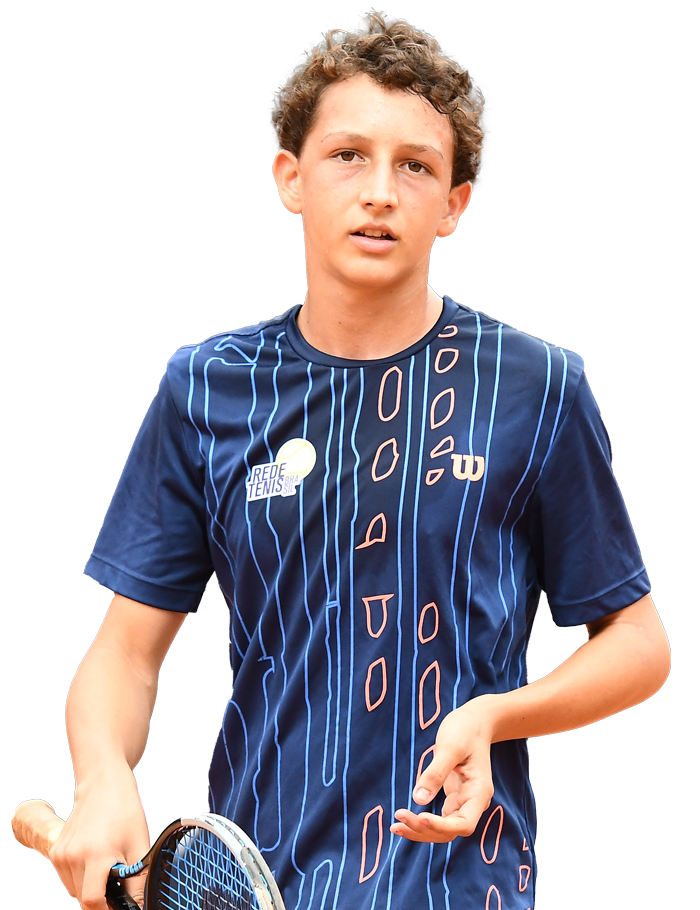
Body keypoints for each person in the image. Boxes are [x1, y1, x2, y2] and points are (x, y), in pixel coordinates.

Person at [50, 14, 670, 910]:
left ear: (454, 203)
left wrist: (496, 714)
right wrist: (103, 777)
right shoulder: (207, 388)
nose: (380, 191)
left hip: (465, 889)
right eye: (348, 155)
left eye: (416, 166)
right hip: (262, 887)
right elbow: (123, 657)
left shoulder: (537, 388)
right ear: (291, 178)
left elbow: (640, 647)